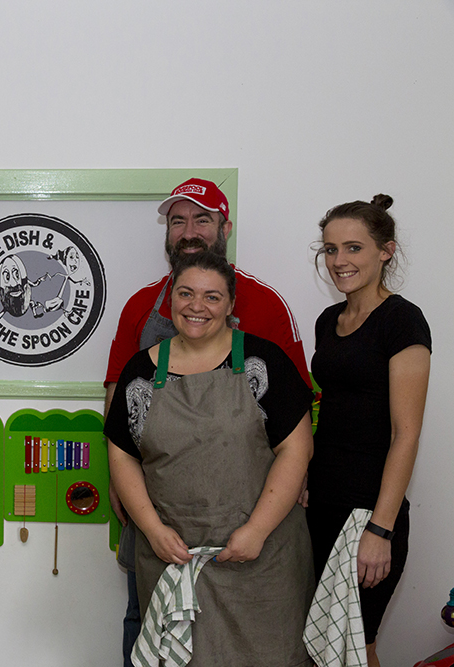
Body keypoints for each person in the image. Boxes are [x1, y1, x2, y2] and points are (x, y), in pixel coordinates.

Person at [102, 177, 310, 666]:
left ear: (232, 304)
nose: (197, 306)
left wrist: (260, 525)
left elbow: (297, 440)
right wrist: (147, 523)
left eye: (213, 297)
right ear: (172, 299)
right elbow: (121, 439)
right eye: (178, 221)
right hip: (169, 545)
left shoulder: (265, 346)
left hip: (259, 551)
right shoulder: (140, 341)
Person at [305, 195, 430, 667]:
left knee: (357, 648)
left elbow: (406, 434)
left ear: (386, 251)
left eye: (353, 248)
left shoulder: (402, 320)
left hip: (368, 512)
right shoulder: (327, 321)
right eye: (331, 249)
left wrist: (381, 528)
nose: (340, 260)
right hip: (320, 506)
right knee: (322, 646)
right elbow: (330, 410)